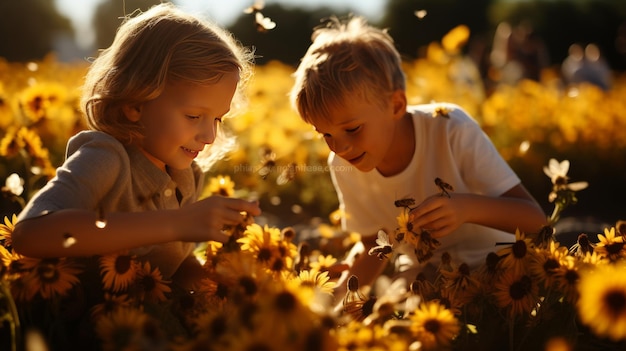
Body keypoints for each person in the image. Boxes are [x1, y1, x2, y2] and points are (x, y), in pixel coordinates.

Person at [289, 16, 547, 301]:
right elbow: (374, 246)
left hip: (501, 273)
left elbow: (535, 220)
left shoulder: (450, 128)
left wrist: (466, 208)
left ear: (396, 105)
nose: (340, 147)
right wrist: (336, 298)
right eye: (325, 135)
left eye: (352, 129)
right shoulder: (343, 166)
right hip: (424, 283)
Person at [12, 3, 261, 290]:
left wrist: (216, 286)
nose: (209, 135)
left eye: (218, 118)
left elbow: (173, 262)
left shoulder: (186, 177)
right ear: (134, 103)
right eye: (194, 116)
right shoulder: (105, 158)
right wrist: (176, 223)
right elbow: (30, 234)